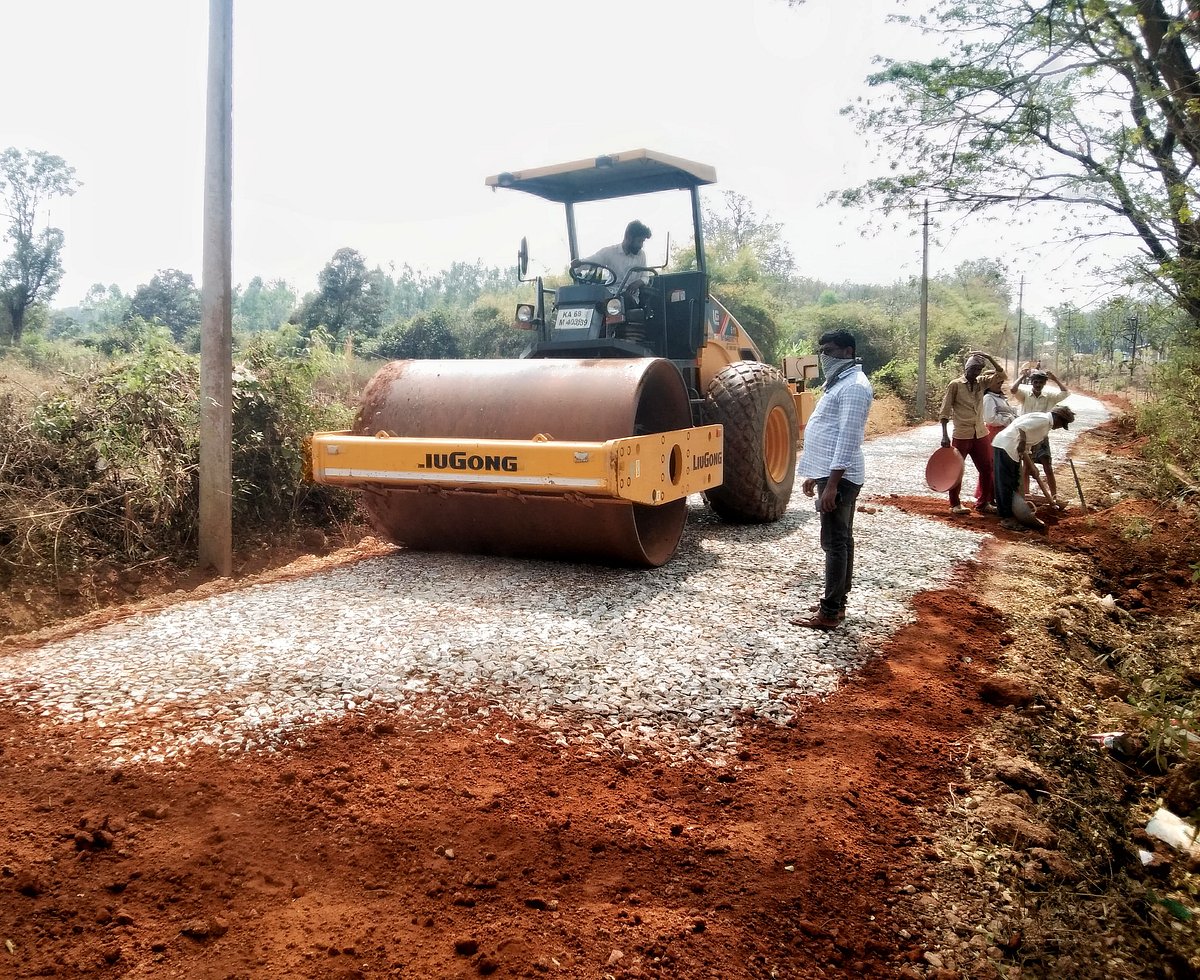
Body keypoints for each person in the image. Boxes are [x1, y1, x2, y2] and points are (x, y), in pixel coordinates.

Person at [789, 329, 874, 631]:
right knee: (842, 540)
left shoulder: (853, 387)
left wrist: (833, 484)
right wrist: (816, 473)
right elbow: (829, 432)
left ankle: (829, 612)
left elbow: (848, 438)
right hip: (831, 473)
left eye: (831, 350)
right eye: (822, 349)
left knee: (834, 543)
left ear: (848, 352)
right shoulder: (840, 383)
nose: (825, 355)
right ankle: (837, 603)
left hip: (841, 477)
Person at [938, 351, 1003, 516]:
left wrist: (989, 358)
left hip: (980, 432)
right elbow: (945, 411)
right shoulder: (955, 385)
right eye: (973, 369)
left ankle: (984, 503)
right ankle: (955, 504)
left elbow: (1001, 374)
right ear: (966, 368)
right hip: (962, 433)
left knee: (987, 467)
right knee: (957, 469)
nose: (976, 373)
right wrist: (944, 435)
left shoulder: (981, 383)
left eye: (979, 370)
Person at [992, 406, 1076, 530]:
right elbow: (1020, 427)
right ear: (1058, 417)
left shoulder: (1045, 425)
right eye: (1062, 424)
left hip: (1012, 449)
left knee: (1014, 482)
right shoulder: (1043, 420)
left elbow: (1026, 445)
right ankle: (1006, 518)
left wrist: (1031, 466)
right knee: (1005, 483)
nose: (1059, 427)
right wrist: (1021, 442)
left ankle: (1010, 511)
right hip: (1006, 446)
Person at [1009, 366, 1070, 500]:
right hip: (1025, 435)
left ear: (1044, 384)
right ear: (1032, 382)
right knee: (1026, 467)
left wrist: (1055, 379)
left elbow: (1065, 393)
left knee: (1047, 465)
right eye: (1035, 382)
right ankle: (1026, 495)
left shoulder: (1049, 397)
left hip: (1042, 436)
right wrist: (1022, 377)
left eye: (1041, 382)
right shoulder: (1025, 395)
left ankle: (1054, 496)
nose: (1038, 385)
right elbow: (1013, 389)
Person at [976, 370, 1018, 511]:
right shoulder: (988, 398)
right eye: (997, 382)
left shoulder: (1000, 397)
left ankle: (993, 498)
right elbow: (990, 419)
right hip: (994, 434)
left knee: (998, 467)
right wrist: (1008, 420)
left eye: (1001, 382)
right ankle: (987, 498)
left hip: (1003, 433)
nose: (1000, 385)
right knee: (993, 466)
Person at [578, 220, 653, 297]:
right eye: (639, 241)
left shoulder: (641, 255)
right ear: (629, 237)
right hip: (610, 294)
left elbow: (645, 277)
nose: (641, 245)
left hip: (630, 296)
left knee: (625, 298)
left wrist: (638, 283)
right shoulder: (609, 252)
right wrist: (578, 263)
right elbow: (592, 261)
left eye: (642, 241)